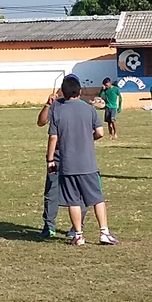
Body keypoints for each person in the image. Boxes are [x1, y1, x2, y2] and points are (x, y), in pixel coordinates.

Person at [46, 75, 117, 246]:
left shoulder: (57, 110)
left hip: (68, 163)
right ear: (79, 91)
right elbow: (100, 132)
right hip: (88, 163)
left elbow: (53, 137)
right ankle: (104, 232)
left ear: (63, 91)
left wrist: (50, 160)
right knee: (97, 198)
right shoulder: (89, 109)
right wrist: (87, 137)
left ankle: (78, 235)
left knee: (73, 200)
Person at [36, 75, 86, 238]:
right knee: (51, 191)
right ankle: (49, 226)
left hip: (76, 156)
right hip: (58, 156)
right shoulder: (56, 105)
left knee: (78, 193)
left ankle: (76, 227)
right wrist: (47, 105)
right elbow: (41, 122)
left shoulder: (83, 107)